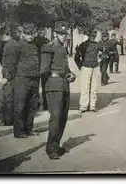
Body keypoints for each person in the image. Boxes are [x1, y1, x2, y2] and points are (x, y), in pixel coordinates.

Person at [40, 22, 76, 160]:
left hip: (64, 85)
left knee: (62, 117)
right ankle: (51, 149)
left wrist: (70, 74)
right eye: (60, 34)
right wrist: (46, 89)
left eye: (65, 34)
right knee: (55, 118)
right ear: (55, 33)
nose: (63, 36)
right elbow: (44, 70)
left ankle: (56, 145)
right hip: (54, 86)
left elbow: (64, 67)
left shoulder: (62, 47)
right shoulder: (49, 47)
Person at [11, 23, 40, 138]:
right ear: (23, 34)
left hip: (34, 78)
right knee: (20, 105)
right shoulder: (18, 46)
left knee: (32, 105)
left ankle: (29, 129)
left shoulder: (35, 45)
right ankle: (19, 131)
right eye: (27, 34)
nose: (30, 36)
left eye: (32, 34)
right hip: (22, 78)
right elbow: (12, 63)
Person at [75, 30, 103, 113]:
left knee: (94, 88)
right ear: (89, 35)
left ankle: (92, 106)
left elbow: (105, 52)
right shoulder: (83, 45)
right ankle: (83, 106)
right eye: (92, 35)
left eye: (94, 35)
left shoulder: (98, 45)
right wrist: (80, 66)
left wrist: (100, 61)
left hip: (95, 66)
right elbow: (77, 57)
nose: (93, 36)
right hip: (86, 66)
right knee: (85, 87)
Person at [0, 25, 21, 126]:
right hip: (14, 76)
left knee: (8, 99)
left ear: (5, 34)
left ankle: (7, 121)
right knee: (10, 98)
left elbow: (11, 63)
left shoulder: (10, 46)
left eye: (0, 35)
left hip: (11, 76)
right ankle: (9, 119)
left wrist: (7, 77)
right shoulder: (13, 44)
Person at [33, 27, 50, 111]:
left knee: (38, 87)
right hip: (42, 66)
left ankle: (36, 104)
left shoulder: (33, 41)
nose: (41, 31)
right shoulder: (47, 41)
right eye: (40, 30)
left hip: (39, 66)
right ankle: (45, 105)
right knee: (43, 86)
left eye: (42, 30)